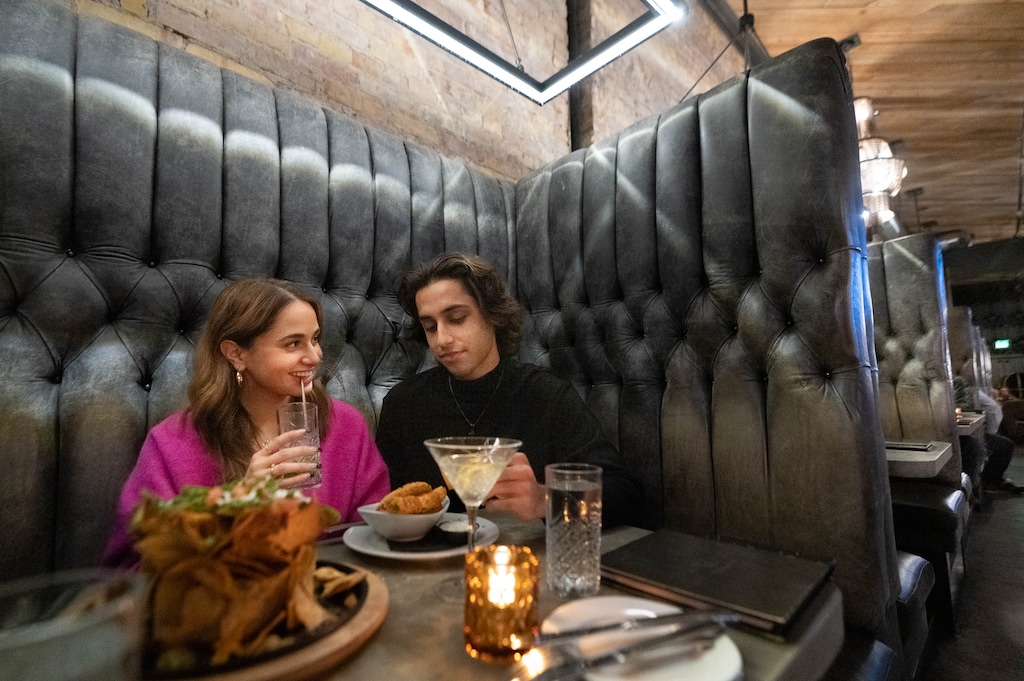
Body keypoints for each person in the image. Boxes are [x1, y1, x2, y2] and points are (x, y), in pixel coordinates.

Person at [101, 278, 391, 567]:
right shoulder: (171, 444)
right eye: (293, 344)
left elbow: (377, 533)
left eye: (315, 339)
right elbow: (134, 566)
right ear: (236, 354)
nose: (315, 357)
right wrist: (236, 504)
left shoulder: (347, 426)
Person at [375, 253, 646, 528]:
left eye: (457, 318)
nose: (442, 339)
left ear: (493, 315)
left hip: (525, 552)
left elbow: (626, 495)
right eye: (430, 327)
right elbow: (382, 507)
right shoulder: (403, 405)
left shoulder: (546, 397)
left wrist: (545, 500)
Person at [976, 387, 1023, 495]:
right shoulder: (964, 389)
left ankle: (996, 479)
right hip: (972, 433)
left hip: (984, 429)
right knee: (1005, 445)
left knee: (1004, 441)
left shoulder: (971, 389)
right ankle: (991, 482)